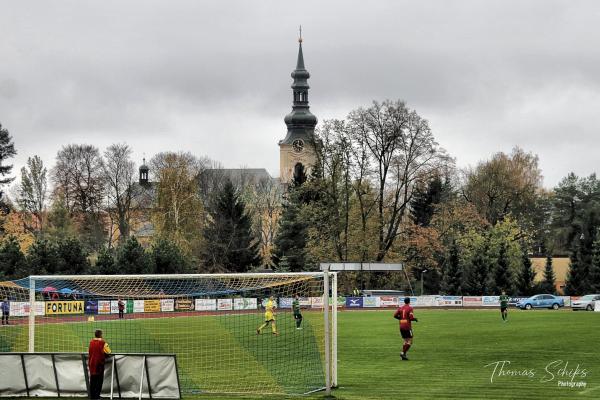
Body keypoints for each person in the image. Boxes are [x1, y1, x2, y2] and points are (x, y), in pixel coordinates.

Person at [88, 329, 111, 399]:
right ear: (100, 335)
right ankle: (97, 396)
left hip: (91, 363)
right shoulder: (103, 342)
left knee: (92, 380)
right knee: (99, 381)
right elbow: (108, 352)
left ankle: (92, 396)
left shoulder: (91, 342)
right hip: (99, 364)